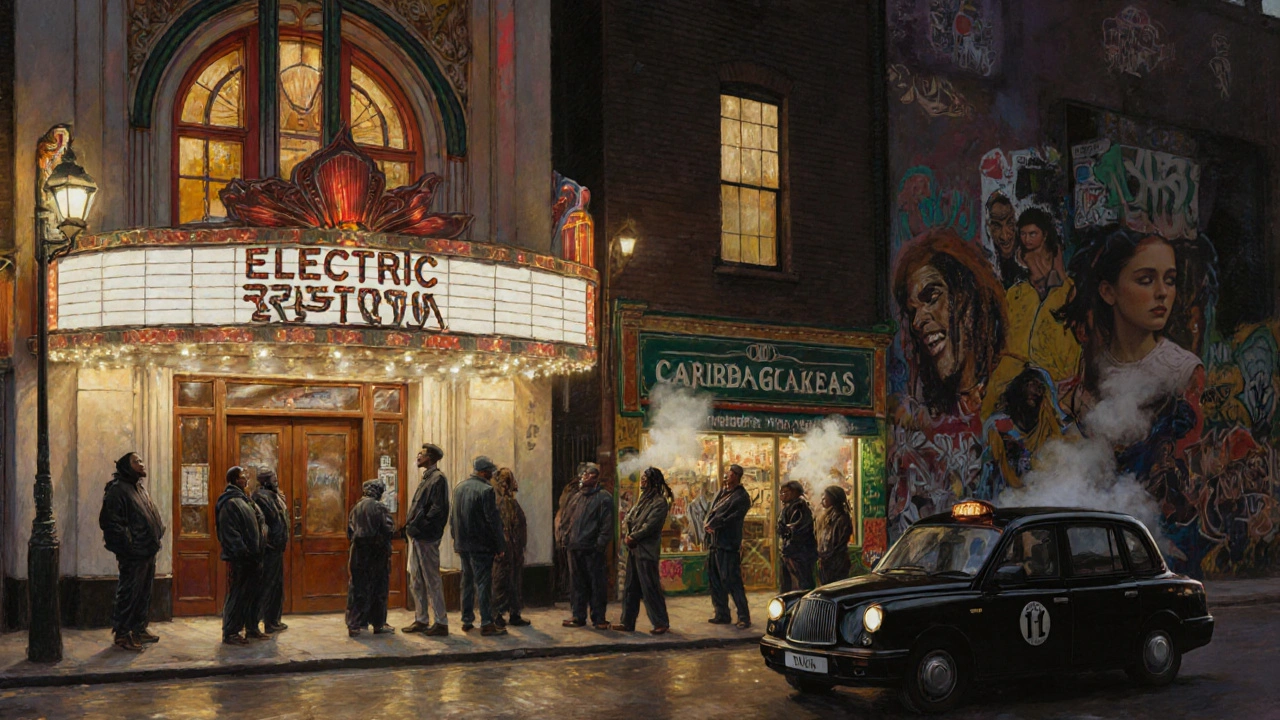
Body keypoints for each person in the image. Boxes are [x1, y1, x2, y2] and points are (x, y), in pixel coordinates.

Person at [892, 228, 1009, 417]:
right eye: (913, 311)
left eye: (931, 297)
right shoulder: (928, 411)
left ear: (967, 298)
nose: (917, 321)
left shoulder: (1010, 390)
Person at [99, 452, 166, 652]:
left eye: (141, 460)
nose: (142, 464)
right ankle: (122, 634)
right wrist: (129, 546)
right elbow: (110, 523)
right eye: (137, 461)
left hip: (147, 550)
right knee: (129, 592)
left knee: (144, 592)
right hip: (134, 553)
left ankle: (139, 628)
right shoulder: (117, 490)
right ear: (126, 467)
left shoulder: (138, 488)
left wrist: (157, 531)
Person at [1005, 208, 1079, 382]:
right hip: (1021, 359)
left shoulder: (1054, 252)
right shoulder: (1018, 285)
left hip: (1056, 363)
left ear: (1044, 234)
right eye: (1023, 234)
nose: (1027, 239)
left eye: (1032, 234)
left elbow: (1060, 281)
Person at [451, 456, 508, 636]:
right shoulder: (486, 490)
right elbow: (493, 521)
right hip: (482, 546)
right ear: (483, 472)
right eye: (490, 471)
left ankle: (467, 620)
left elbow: (453, 519)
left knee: (466, 582)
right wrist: (500, 545)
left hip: (463, 544)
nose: (492, 475)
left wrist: (456, 540)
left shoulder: (459, 488)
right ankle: (487, 623)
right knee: (483, 583)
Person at [615, 467, 672, 634]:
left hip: (646, 551)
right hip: (635, 549)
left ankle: (661, 622)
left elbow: (650, 526)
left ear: (654, 481)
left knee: (650, 588)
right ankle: (627, 622)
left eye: (646, 478)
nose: (643, 480)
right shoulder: (643, 500)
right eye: (643, 477)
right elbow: (631, 518)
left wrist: (634, 536)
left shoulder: (660, 502)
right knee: (630, 587)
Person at [557, 462, 613, 630]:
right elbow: (566, 518)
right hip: (574, 547)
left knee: (596, 584)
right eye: (583, 475)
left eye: (587, 475)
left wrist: (599, 545)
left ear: (595, 478)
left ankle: (599, 618)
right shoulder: (576, 496)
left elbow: (607, 524)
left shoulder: (604, 497)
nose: (583, 477)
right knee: (577, 584)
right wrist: (564, 537)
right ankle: (578, 616)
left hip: (592, 549)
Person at [402, 443, 450, 637]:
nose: (418, 456)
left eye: (421, 454)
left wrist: (420, 527)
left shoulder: (438, 479)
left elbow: (437, 510)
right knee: (416, 579)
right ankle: (421, 619)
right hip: (418, 536)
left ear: (430, 458)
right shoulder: (428, 478)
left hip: (427, 537)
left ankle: (441, 621)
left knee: (431, 579)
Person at [216, 466, 268, 645]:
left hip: (254, 556)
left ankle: (252, 628)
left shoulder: (244, 499)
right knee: (238, 594)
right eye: (241, 476)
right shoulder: (230, 502)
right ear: (233, 480)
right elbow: (230, 533)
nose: (245, 478)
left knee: (253, 594)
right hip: (242, 558)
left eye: (245, 476)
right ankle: (231, 632)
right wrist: (242, 551)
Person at [704, 464, 752, 629]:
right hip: (715, 543)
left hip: (728, 544)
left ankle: (744, 616)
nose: (726, 476)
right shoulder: (721, 493)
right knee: (715, 580)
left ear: (737, 476)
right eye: (726, 473)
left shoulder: (742, 497)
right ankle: (722, 614)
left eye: (730, 474)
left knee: (732, 581)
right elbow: (713, 512)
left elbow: (733, 517)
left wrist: (716, 524)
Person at [346, 479, 396, 637]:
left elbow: (349, 532)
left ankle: (355, 624)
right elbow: (388, 529)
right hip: (376, 553)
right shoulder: (379, 507)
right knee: (378, 588)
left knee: (358, 588)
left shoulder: (356, 508)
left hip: (358, 553)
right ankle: (378, 623)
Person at [491, 467, 529, 628]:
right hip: (504, 549)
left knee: (514, 582)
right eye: (506, 481)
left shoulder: (509, 501)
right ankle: (497, 615)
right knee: (500, 582)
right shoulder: (499, 501)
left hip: (514, 549)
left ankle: (514, 614)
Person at [252, 469, 289, 634]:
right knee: (269, 585)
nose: (276, 481)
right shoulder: (262, 497)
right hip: (269, 549)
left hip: (276, 547)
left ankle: (274, 620)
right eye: (274, 478)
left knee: (276, 585)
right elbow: (270, 520)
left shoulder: (274, 496)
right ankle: (268, 622)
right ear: (266, 481)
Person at [777, 480, 818, 592]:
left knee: (802, 584)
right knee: (787, 584)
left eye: (786, 492)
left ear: (795, 492)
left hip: (799, 554)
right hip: (790, 552)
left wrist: (786, 533)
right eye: (781, 492)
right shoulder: (788, 507)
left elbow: (797, 531)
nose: (782, 495)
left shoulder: (800, 508)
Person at [985, 193, 1028, 289]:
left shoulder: (1029, 261)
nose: (1005, 236)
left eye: (1009, 223)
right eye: (997, 226)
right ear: (989, 229)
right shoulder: (987, 268)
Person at [816, 485, 854, 585]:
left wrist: (828, 556)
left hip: (836, 563)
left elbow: (841, 543)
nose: (822, 501)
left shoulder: (842, 518)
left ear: (833, 498)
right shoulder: (827, 516)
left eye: (825, 498)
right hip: (826, 562)